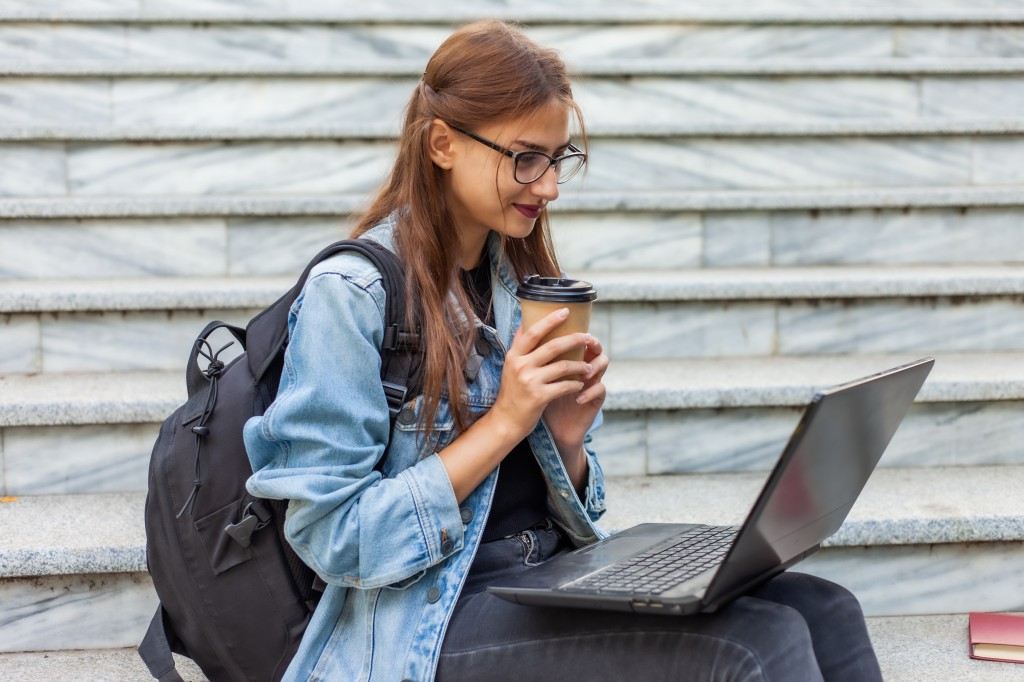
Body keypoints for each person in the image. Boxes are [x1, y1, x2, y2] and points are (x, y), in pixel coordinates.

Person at [243, 19, 883, 682]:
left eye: (558, 159)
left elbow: (558, 508)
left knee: (825, 607)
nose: (547, 187)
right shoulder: (351, 294)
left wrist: (567, 443)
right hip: (422, 620)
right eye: (525, 157)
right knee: (757, 642)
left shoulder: (520, 287)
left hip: (537, 576)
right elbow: (333, 537)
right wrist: (507, 422)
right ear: (442, 144)